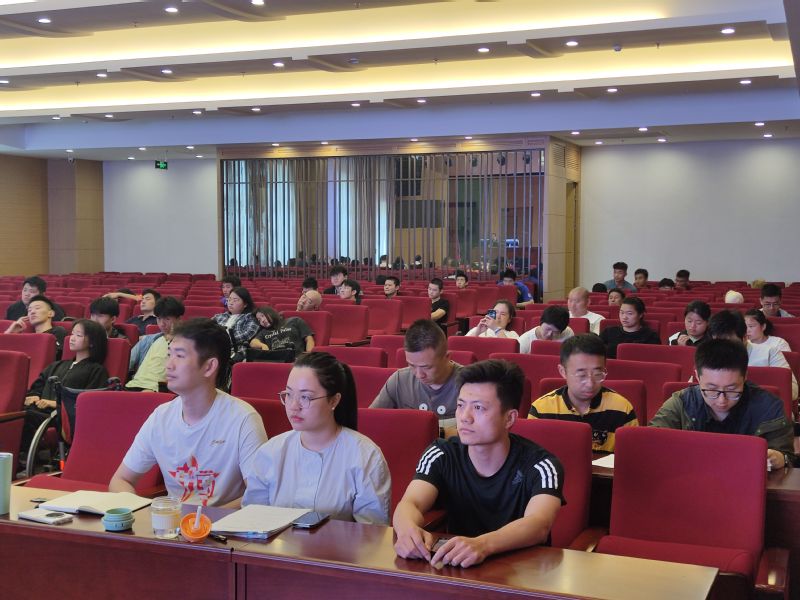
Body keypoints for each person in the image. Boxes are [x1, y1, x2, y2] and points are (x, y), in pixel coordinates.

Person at [392, 359, 564, 568]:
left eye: (478, 408)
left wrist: (483, 545)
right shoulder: (441, 454)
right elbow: (410, 503)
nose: (465, 417)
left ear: (509, 418)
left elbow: (539, 524)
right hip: (459, 569)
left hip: (525, 571)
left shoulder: (542, 465)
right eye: (460, 405)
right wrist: (407, 530)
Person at [110, 319, 268, 506]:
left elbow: (259, 494)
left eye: (179, 356)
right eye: (169, 354)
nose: (169, 365)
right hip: (173, 521)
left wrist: (208, 519)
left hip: (223, 522)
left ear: (209, 367)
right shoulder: (161, 417)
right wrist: (151, 513)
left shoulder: (243, 419)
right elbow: (120, 480)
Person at [243, 352, 391, 524]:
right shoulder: (270, 452)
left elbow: (372, 533)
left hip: (338, 543)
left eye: (305, 397)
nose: (293, 406)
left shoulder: (365, 456)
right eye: (289, 394)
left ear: (334, 401)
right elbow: (252, 520)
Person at [651, 338, 794, 470]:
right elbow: (651, 443)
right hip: (690, 478)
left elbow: (788, 458)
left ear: (745, 376)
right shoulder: (682, 403)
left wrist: (780, 458)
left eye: (732, 389)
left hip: (748, 482)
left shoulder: (768, 407)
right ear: (697, 377)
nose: (721, 400)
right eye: (711, 389)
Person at [19, 319, 110, 463]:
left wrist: (54, 403)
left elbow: (89, 402)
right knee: (14, 413)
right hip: (39, 410)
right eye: (72, 334)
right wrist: (34, 395)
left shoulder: (97, 370)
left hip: (62, 418)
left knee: (25, 417)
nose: (72, 338)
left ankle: (22, 460)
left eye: (78, 335)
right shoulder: (57, 365)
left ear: (92, 342)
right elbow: (38, 384)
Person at [529, 334, 637, 452]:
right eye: (581, 375)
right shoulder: (541, 410)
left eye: (597, 374)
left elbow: (632, 455)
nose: (590, 384)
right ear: (563, 371)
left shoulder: (622, 408)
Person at [371, 319, 462, 437]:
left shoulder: (469, 383)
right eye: (412, 365)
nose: (419, 375)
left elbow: (482, 432)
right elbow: (372, 421)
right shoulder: (399, 380)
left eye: (426, 367)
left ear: (447, 357)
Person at [708, 310, 798, 400]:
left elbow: (792, 391)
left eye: (729, 343)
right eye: (717, 343)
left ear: (744, 337)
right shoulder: (710, 356)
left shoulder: (770, 352)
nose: (723, 348)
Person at [126, 297, 185, 391]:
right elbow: (128, 363)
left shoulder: (186, 343)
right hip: (134, 386)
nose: (162, 324)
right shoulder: (148, 340)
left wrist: (174, 336)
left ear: (179, 319)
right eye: (159, 319)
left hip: (160, 389)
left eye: (167, 319)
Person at [5, 295, 67, 360]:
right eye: (29, 310)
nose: (32, 312)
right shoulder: (26, 335)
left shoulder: (58, 331)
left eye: (37, 308)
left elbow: (54, 356)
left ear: (50, 313)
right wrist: (10, 332)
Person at [212, 286, 260, 356]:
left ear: (245, 304)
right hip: (213, 350)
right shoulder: (219, 316)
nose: (230, 303)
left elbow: (245, 335)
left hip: (235, 353)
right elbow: (205, 328)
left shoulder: (250, 318)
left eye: (235, 300)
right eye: (229, 299)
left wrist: (218, 340)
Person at [250, 306, 315, 356]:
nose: (262, 320)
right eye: (259, 320)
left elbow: (309, 338)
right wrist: (262, 345)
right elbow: (253, 342)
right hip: (276, 361)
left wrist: (309, 355)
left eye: (263, 316)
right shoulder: (264, 332)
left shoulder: (294, 321)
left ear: (270, 313)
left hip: (296, 359)